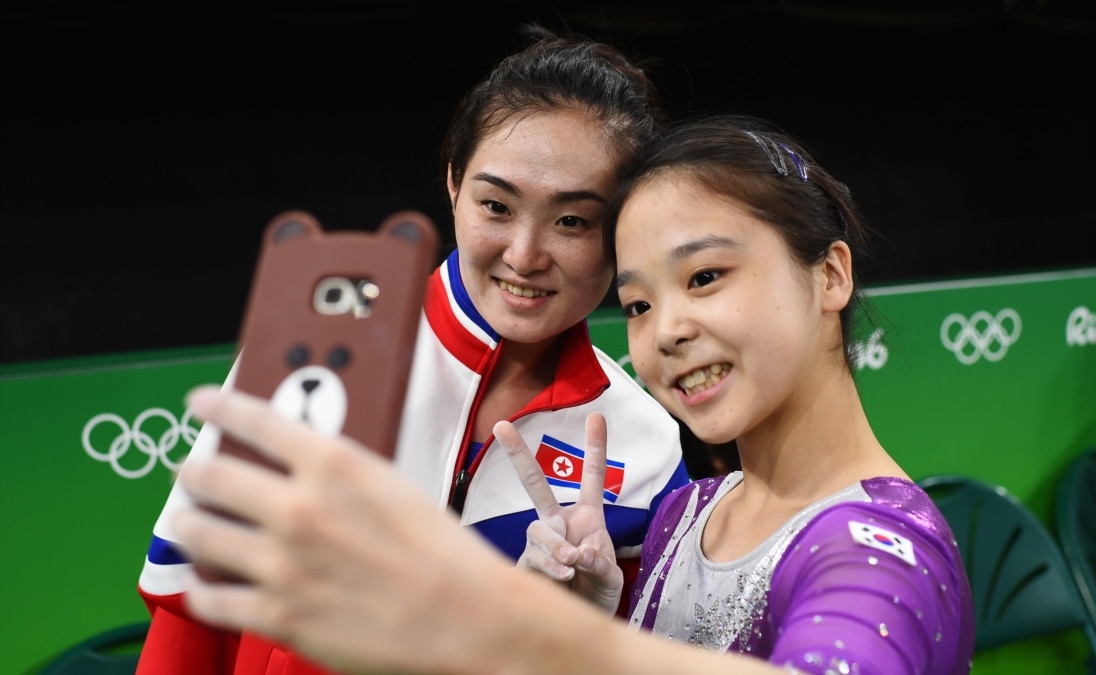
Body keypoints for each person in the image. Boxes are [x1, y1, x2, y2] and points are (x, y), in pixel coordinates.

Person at [167, 113, 974, 674]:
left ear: (830, 274)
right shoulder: (688, 515)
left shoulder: (879, 548)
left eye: (705, 276)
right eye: (638, 303)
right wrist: (589, 609)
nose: (668, 330)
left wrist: (534, 631)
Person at [134, 24, 691, 675]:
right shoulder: (318, 354)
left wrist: (569, 629)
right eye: (497, 205)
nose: (525, 255)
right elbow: (191, 619)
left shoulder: (644, 442)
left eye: (573, 220)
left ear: (623, 227)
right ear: (453, 183)